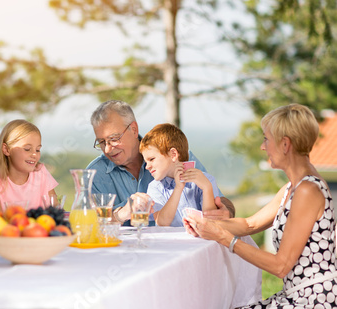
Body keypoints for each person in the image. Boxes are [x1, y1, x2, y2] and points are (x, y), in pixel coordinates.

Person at [184, 104, 337, 307]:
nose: (262, 147)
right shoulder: (292, 188)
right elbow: (250, 224)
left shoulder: (307, 191)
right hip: (300, 295)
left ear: (285, 144)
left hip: (314, 301)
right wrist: (204, 224)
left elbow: (280, 266)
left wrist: (222, 237)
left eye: (266, 139)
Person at [86, 100, 235, 226]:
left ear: (133, 129)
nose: (107, 148)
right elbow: (91, 225)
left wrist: (225, 211)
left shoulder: (180, 158)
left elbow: (220, 201)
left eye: (113, 138)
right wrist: (121, 214)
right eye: (101, 142)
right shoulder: (95, 175)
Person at [140, 123, 220, 226]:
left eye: (151, 159)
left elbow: (211, 223)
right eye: (146, 162)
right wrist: (178, 188)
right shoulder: (155, 187)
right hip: (171, 242)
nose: (147, 166)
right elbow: (162, 222)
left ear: (173, 154)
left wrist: (206, 188)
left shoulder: (206, 180)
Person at [0, 119, 58, 217]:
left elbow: (57, 213)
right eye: (27, 149)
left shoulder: (40, 173)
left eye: (38, 150)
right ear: (6, 149)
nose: (34, 154)